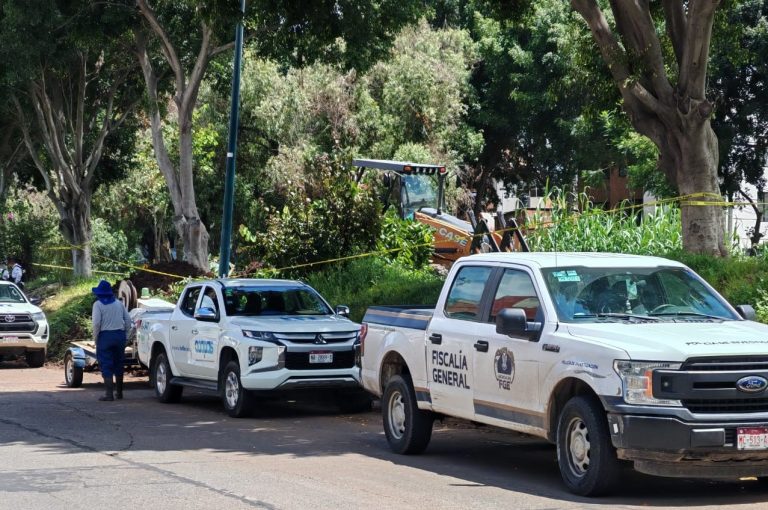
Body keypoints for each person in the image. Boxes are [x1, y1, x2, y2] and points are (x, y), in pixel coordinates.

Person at [91, 280, 132, 401]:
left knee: (106, 364)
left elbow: (96, 324)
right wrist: (126, 336)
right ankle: (119, 393)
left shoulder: (97, 305)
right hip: (119, 336)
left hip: (105, 337)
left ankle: (109, 394)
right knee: (119, 363)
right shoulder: (119, 304)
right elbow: (128, 321)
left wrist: (96, 338)